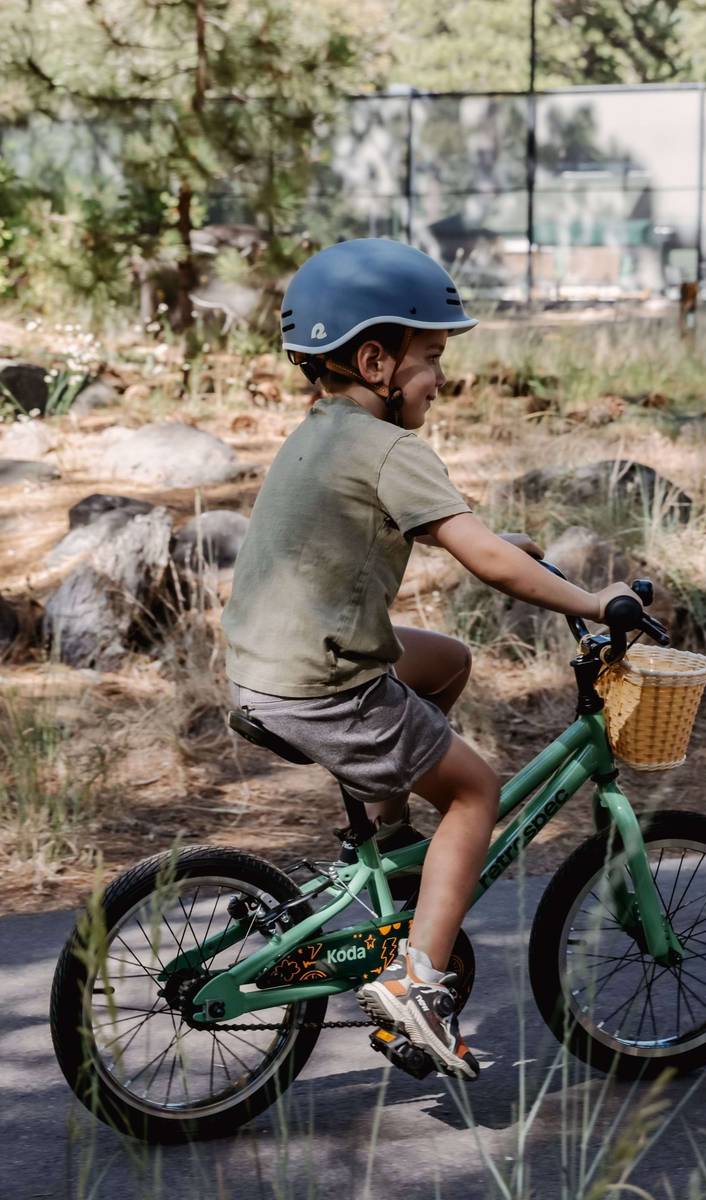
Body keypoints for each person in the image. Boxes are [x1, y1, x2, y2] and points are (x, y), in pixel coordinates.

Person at [221, 238, 640, 1080]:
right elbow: (483, 560)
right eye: (431, 358)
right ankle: (417, 984)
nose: (441, 378)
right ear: (376, 359)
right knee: (476, 789)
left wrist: (504, 544)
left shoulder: (325, 432)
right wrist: (598, 603)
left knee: (442, 661)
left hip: (266, 670)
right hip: (324, 686)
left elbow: (468, 538)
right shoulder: (391, 447)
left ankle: (390, 848)